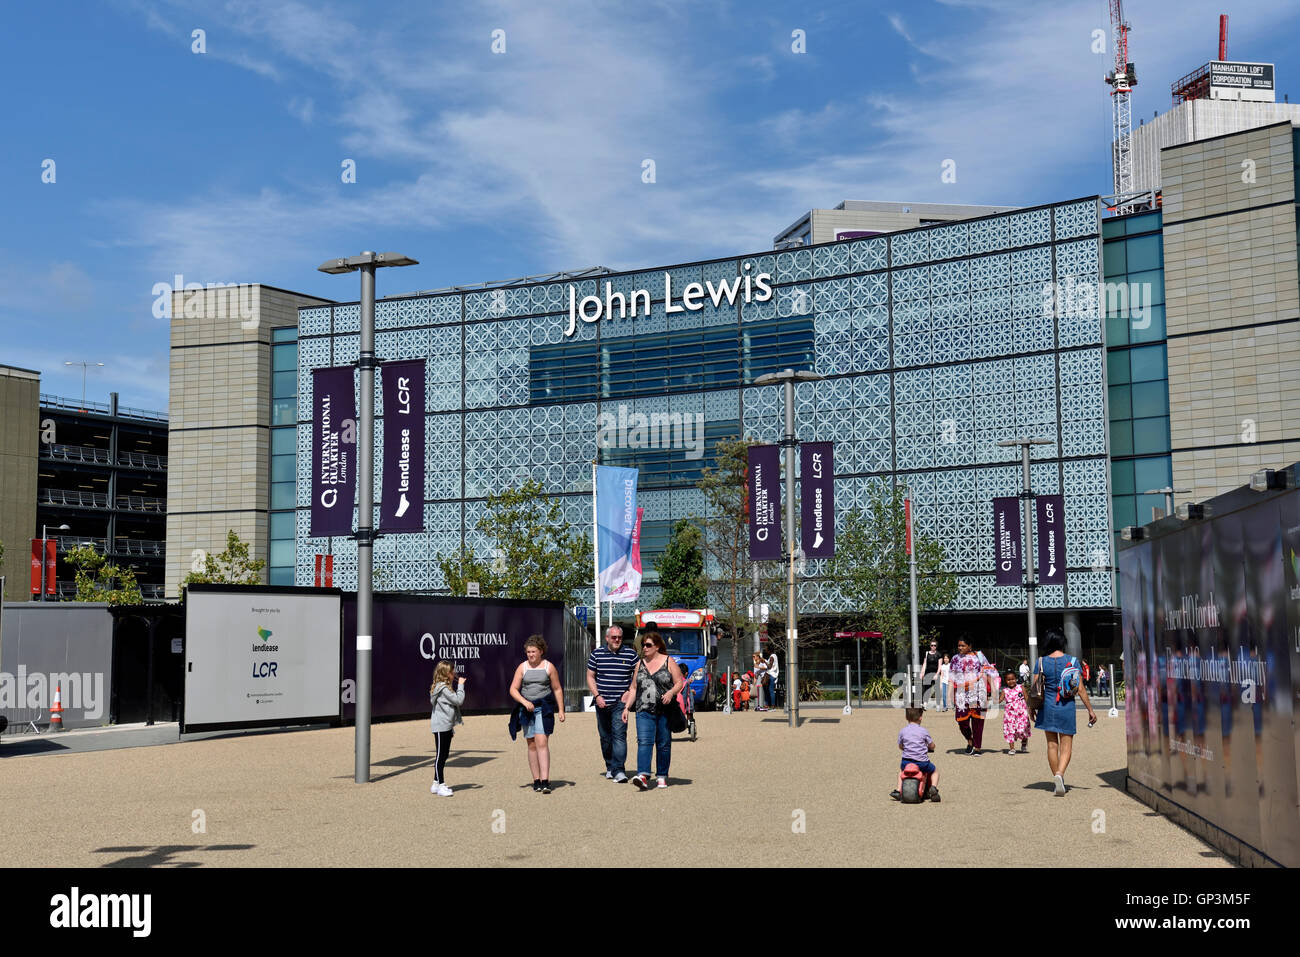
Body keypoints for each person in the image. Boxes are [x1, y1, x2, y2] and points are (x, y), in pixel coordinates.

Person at [1032, 627, 1098, 796]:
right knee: (1066, 745)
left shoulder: (1040, 662)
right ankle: (1060, 774)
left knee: (1051, 745)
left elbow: (1035, 687)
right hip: (1066, 705)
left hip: (1047, 706)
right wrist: (1090, 710)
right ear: (1062, 642)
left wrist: (1031, 707)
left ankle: (1056, 779)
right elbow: (1081, 688)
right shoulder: (1073, 661)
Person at [621, 630, 684, 789]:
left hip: (664, 709)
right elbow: (634, 688)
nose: (645, 648)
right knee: (644, 742)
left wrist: (670, 693)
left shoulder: (668, 661)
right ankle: (643, 775)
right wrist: (627, 707)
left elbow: (679, 682)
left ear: (657, 646)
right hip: (643, 709)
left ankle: (662, 775)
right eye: (643, 645)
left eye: (648, 645)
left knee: (663, 743)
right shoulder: (639, 664)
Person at [509, 634, 566, 794]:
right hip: (527, 709)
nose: (531, 655)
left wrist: (561, 709)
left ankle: (546, 779)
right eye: (528, 652)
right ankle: (536, 779)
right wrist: (524, 702)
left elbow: (557, 688)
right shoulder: (522, 667)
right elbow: (513, 689)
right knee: (532, 744)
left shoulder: (549, 667)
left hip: (544, 707)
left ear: (541, 651)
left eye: (533, 651)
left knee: (542, 741)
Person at [586, 624, 638, 782]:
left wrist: (630, 691)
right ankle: (610, 766)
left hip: (620, 703)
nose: (617, 640)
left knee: (619, 736)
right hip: (602, 702)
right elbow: (590, 676)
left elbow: (638, 674)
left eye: (620, 637)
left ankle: (619, 770)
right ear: (607, 638)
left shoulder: (630, 654)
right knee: (605, 737)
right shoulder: (597, 654)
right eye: (614, 637)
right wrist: (597, 695)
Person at [950, 636, 997, 755]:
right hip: (961, 694)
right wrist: (950, 694)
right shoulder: (955, 658)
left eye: (963, 645)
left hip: (978, 693)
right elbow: (951, 677)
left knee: (978, 722)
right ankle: (970, 740)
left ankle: (977, 747)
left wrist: (994, 691)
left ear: (969, 646)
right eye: (959, 645)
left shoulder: (979, 656)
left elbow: (989, 671)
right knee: (962, 721)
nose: (960, 648)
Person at [429, 661, 467, 796]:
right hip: (440, 726)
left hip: (446, 725)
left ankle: (435, 783)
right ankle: (441, 785)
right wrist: (461, 685)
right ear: (446, 674)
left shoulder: (445, 687)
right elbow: (458, 700)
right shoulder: (443, 688)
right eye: (452, 672)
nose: (454, 674)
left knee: (444, 755)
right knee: (440, 756)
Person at [890, 706, 940, 802]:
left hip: (906, 762)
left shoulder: (903, 731)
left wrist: (905, 748)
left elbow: (900, 746)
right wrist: (932, 747)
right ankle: (933, 787)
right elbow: (931, 745)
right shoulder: (924, 731)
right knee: (934, 771)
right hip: (922, 762)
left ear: (906, 717)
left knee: (901, 771)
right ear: (920, 717)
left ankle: (898, 789)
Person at [999, 671, 1030, 754]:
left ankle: (1024, 743)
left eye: (1013, 679)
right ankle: (1012, 748)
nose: (1011, 681)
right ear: (1005, 681)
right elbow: (1000, 700)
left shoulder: (1021, 687)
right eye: (1008, 680)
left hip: (1022, 713)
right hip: (1010, 715)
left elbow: (1027, 698)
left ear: (1016, 679)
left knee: (1023, 729)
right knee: (1010, 730)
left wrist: (1030, 708)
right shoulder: (1005, 691)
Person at [920, 640, 942, 709]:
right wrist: (922, 673)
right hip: (928, 673)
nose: (933, 647)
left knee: (937, 689)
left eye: (934, 645)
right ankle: (925, 704)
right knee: (926, 689)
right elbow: (924, 664)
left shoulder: (939, 654)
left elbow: (940, 666)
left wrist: (937, 674)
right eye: (932, 645)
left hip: (935, 673)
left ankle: (938, 705)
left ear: (936, 646)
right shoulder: (926, 653)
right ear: (930, 646)